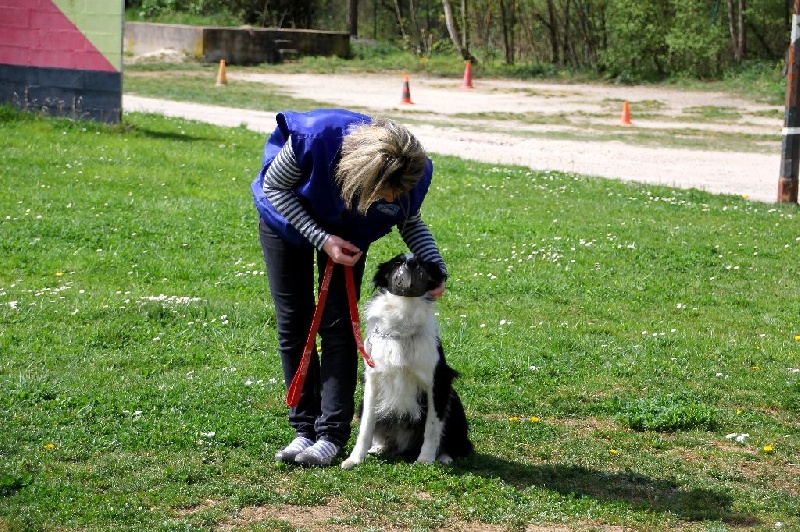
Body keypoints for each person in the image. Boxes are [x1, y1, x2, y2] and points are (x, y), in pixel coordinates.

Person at [251, 109, 447, 466]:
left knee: (339, 324)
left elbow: (409, 220)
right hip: (287, 219)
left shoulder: (408, 175)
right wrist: (321, 238)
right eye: (387, 192)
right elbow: (274, 187)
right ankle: (303, 429)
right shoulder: (311, 142)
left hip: (347, 232)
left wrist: (437, 269)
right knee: (295, 323)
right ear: (367, 174)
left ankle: (330, 435)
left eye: (398, 194)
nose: (391, 200)